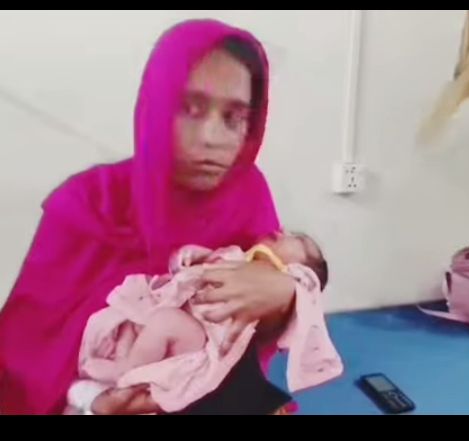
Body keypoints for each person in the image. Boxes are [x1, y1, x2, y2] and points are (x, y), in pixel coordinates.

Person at [0, 19, 308, 415]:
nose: (212, 137)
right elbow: (25, 351)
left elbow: (260, 325)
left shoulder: (247, 196)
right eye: (189, 109)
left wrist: (286, 292)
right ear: (155, 106)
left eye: (234, 117)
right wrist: (96, 404)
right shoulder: (88, 203)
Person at [65, 231, 337, 415]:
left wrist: (287, 287)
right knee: (134, 326)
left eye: (300, 242)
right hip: (174, 323)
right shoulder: (237, 257)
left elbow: (307, 290)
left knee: (166, 322)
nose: (284, 233)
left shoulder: (278, 294)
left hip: (199, 346)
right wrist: (195, 256)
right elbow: (200, 266)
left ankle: (125, 373)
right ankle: (100, 394)